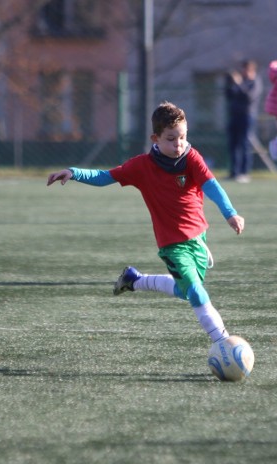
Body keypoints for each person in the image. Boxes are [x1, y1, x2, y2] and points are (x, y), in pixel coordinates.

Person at [47, 101, 245, 348]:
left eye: (182, 137)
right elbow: (105, 177)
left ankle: (134, 280)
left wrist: (230, 213)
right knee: (196, 292)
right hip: (173, 245)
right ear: (156, 138)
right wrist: (74, 172)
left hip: (198, 240)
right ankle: (224, 344)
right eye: (171, 139)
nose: (179, 144)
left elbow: (212, 186)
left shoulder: (192, 158)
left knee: (186, 292)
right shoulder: (142, 166)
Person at [225, 59, 263, 183]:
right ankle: (234, 172)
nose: (243, 72)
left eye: (246, 69)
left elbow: (248, 97)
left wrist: (239, 83)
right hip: (234, 116)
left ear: (252, 70)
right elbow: (229, 95)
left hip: (247, 116)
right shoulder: (240, 82)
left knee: (244, 144)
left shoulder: (255, 82)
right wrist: (230, 83)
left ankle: (244, 172)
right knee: (233, 144)